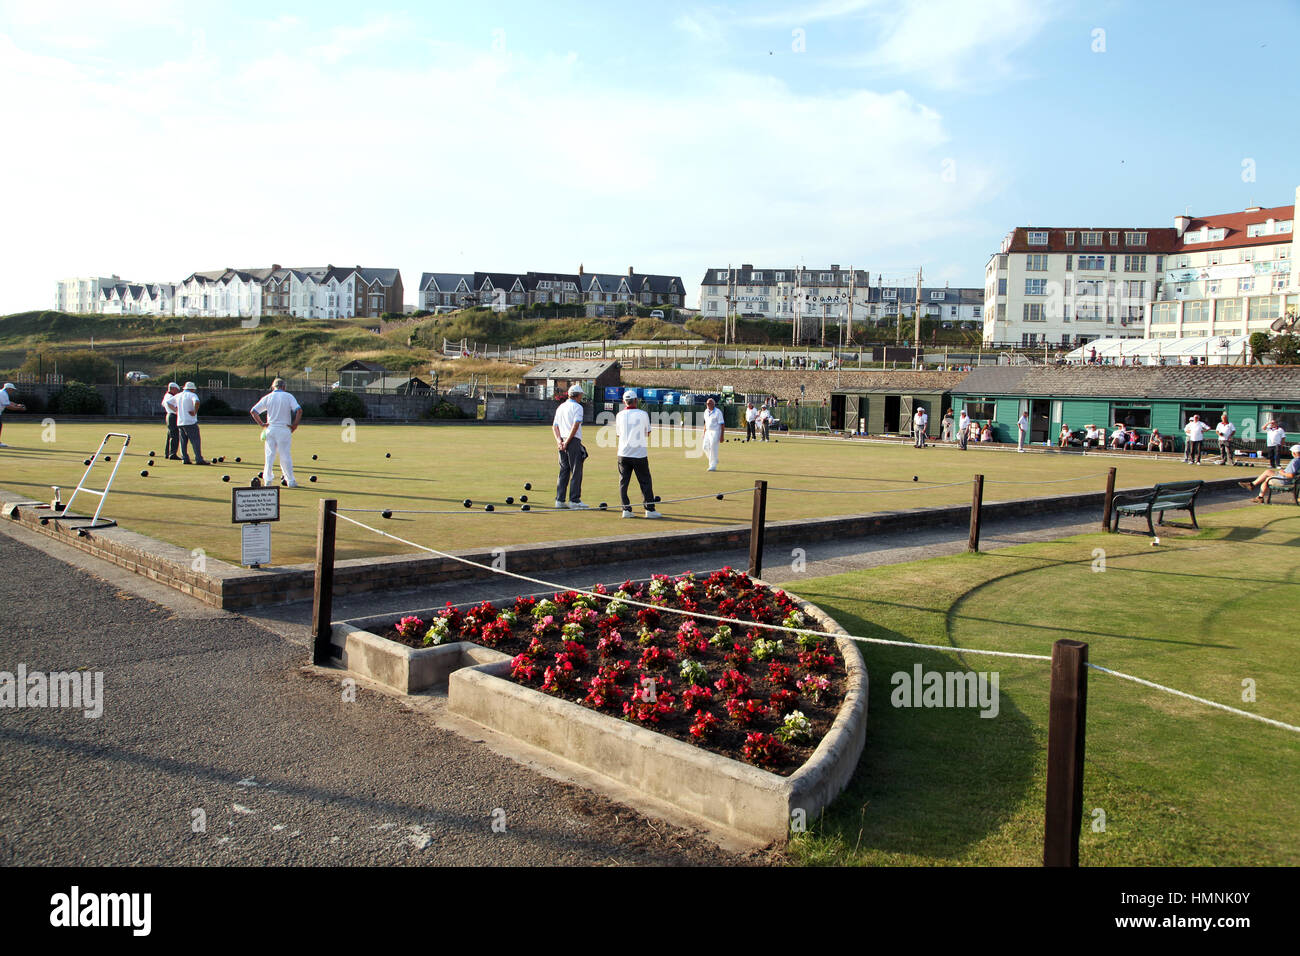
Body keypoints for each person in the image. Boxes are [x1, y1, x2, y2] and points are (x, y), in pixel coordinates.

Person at [615, 391, 661, 519]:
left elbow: (618, 434)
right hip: (639, 454)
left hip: (623, 453)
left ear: (624, 401)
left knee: (623, 482)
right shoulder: (643, 414)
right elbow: (648, 433)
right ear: (636, 400)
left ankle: (626, 510)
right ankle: (649, 510)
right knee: (645, 482)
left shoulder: (619, 415)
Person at [250, 378, 303, 488]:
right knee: (285, 455)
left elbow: (253, 411)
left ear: (273, 387)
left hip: (271, 429)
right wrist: (295, 425)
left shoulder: (268, 397)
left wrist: (262, 424)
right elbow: (299, 410)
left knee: (269, 456)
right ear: (284, 387)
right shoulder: (288, 396)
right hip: (284, 429)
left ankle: (268, 481)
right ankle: (290, 481)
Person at [552, 384, 588, 509]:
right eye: (581, 395)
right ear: (578, 395)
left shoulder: (561, 407)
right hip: (572, 440)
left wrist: (559, 441)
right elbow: (575, 425)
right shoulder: (578, 407)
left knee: (564, 470)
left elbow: (555, 426)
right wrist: (567, 442)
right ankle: (574, 500)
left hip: (561, 440)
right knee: (576, 470)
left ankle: (560, 500)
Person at [177, 382, 209, 465]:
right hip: (190, 422)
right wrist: (195, 411)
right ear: (192, 389)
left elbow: (168, 402)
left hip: (180, 422)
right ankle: (199, 459)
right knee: (195, 441)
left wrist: (175, 410)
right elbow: (197, 402)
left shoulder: (178, 395)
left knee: (183, 442)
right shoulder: (192, 395)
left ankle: (185, 459)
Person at [701, 397, 724, 471]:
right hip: (708, 431)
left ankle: (713, 466)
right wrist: (704, 432)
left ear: (713, 404)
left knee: (713, 448)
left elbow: (722, 424)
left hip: (715, 431)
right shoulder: (706, 411)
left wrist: (722, 436)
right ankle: (714, 459)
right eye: (707, 403)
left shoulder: (718, 412)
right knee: (705, 447)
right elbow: (706, 423)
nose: (707, 405)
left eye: (709, 403)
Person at [0, 382, 26, 447]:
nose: (12, 391)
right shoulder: (3, 394)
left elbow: (8, 402)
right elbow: (8, 406)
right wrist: (19, 408)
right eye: (12, 389)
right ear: (8, 388)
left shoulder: (2, 392)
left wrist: (17, 405)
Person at [161, 382, 181, 460]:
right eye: (176, 390)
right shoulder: (171, 397)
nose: (177, 392)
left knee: (170, 435)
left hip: (169, 415)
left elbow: (163, 404)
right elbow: (170, 404)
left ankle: (167, 453)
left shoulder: (166, 395)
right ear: (173, 389)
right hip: (173, 416)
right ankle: (172, 454)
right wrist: (177, 411)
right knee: (175, 435)